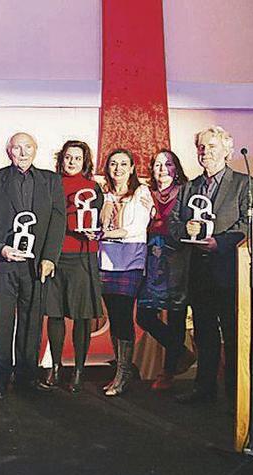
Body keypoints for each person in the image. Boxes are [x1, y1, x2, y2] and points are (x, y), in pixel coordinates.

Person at [170, 126, 253, 405]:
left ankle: (237, 394)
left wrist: (219, 243)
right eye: (201, 147)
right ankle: (204, 390)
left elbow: (252, 223)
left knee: (233, 335)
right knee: (204, 333)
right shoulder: (190, 188)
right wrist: (184, 227)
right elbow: (173, 224)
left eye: (210, 147)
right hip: (198, 273)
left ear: (227, 150)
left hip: (229, 271)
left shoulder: (245, 183)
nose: (204, 152)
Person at [0, 132, 66, 399]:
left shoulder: (51, 181)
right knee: (2, 320)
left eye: (28, 147)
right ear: (9, 151)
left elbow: (58, 220)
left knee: (32, 320)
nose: (23, 153)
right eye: (17, 148)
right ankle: (0, 378)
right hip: (4, 262)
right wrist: (1, 248)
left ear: (36, 150)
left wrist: (50, 257)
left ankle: (27, 376)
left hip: (37, 264)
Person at [41, 140, 104, 394]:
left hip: (82, 258)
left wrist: (95, 233)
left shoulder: (94, 188)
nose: (72, 162)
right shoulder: (50, 184)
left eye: (77, 158)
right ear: (61, 158)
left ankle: (78, 370)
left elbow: (99, 221)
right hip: (55, 257)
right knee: (54, 314)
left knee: (81, 316)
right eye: (68, 157)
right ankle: (55, 367)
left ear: (85, 161)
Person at [135, 150, 196, 391]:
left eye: (168, 164)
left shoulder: (186, 191)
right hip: (151, 259)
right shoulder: (146, 193)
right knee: (144, 315)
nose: (162, 169)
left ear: (176, 167)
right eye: (157, 164)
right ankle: (182, 353)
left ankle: (168, 371)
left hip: (177, 258)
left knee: (176, 316)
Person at [98, 149, 152, 397]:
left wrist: (104, 234)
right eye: (112, 164)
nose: (117, 169)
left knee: (122, 315)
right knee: (113, 316)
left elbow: (136, 228)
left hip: (130, 262)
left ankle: (124, 373)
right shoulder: (104, 194)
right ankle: (120, 367)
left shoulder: (141, 193)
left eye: (123, 164)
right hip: (106, 263)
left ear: (132, 168)